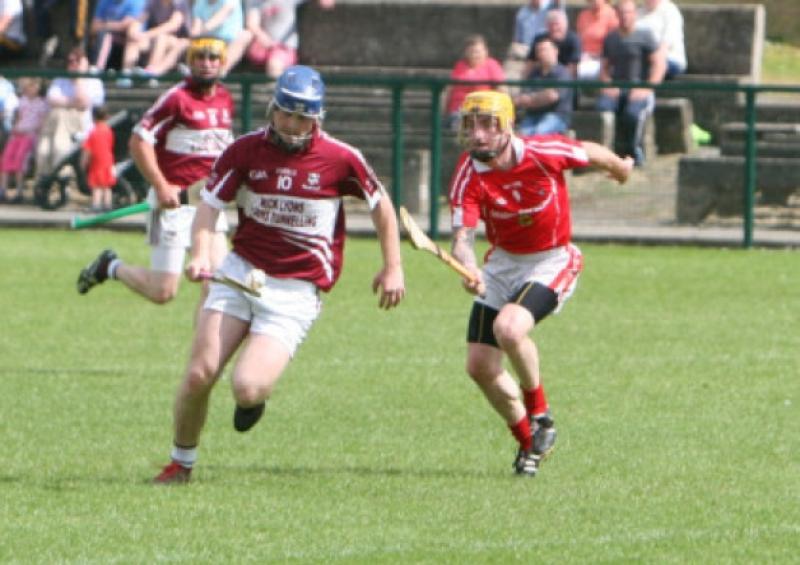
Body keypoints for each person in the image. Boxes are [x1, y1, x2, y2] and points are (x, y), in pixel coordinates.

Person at [152, 65, 406, 484]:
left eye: (302, 118)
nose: (291, 125)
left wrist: (392, 266)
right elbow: (209, 207)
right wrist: (200, 253)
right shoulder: (245, 151)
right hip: (240, 272)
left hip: (294, 292)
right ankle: (181, 462)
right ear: (273, 109)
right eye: (285, 114)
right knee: (199, 374)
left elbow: (382, 206)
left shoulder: (342, 158)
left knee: (248, 387)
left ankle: (252, 399)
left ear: (317, 118)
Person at [448, 91, 632, 477]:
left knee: (510, 328)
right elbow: (462, 238)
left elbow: (589, 152)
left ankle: (542, 417)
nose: (478, 134)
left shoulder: (543, 151)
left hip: (552, 259)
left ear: (508, 125)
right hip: (502, 264)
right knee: (479, 366)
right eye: (471, 125)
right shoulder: (468, 172)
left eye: (487, 124)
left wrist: (620, 168)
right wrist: (468, 268)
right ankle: (528, 442)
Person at [76, 37, 235, 305]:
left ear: (222, 63)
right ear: (190, 62)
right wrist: (161, 186)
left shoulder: (224, 99)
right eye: (200, 58)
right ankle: (110, 266)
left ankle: (208, 348)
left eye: (213, 58)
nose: (207, 64)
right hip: (173, 205)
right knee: (163, 291)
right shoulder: (176, 99)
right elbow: (138, 141)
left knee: (218, 284)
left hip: (207, 203)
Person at [595, 0, 665, 166]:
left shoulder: (646, 36)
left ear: (634, 14)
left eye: (628, 12)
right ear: (617, 15)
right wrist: (607, 85)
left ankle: (635, 152)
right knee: (602, 110)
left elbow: (659, 65)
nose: (625, 16)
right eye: (622, 12)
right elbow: (604, 68)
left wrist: (647, 88)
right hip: (617, 88)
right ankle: (605, 156)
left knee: (633, 115)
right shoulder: (610, 38)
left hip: (639, 89)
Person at [35, 46, 105, 181]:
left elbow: (83, 103)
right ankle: (44, 179)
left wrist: (78, 78)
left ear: (85, 62)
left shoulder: (94, 81)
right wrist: (72, 104)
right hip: (53, 124)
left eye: (77, 61)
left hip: (79, 126)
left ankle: (62, 178)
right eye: (70, 61)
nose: (73, 64)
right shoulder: (60, 79)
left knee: (59, 142)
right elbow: (51, 99)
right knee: (44, 149)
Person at [245, 0, 335, 79]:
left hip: (285, 47)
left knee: (275, 64)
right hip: (262, 47)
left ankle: (275, 93)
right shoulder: (254, 1)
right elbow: (252, 23)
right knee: (248, 43)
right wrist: (262, 37)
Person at [0, 78, 48, 204]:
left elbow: (41, 123)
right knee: (6, 158)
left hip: (30, 135)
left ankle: (19, 190)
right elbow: (19, 117)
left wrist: (27, 130)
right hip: (17, 134)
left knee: (20, 160)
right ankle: (3, 189)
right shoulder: (22, 101)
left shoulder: (42, 103)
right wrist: (16, 128)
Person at [444, 34, 506, 130]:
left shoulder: (492, 65)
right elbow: (449, 89)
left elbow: (502, 90)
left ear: (485, 52)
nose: (474, 55)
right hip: (457, 110)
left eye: (478, 51)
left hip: (482, 110)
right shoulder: (460, 65)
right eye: (471, 51)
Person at [121, 0, 192, 80]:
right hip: (154, 38)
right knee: (133, 40)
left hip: (178, 40)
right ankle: (126, 74)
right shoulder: (152, 2)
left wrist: (146, 35)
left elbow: (173, 25)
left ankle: (151, 72)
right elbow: (140, 20)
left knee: (161, 38)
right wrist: (133, 30)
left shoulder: (179, 3)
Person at [514, 38, 573, 135]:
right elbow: (522, 97)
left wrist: (531, 99)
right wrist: (539, 98)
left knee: (539, 133)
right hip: (533, 115)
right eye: (539, 51)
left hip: (556, 116)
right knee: (520, 136)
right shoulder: (533, 74)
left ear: (555, 51)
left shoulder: (563, 73)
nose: (542, 53)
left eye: (545, 49)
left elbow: (552, 96)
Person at [190, 0, 253, 76]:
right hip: (209, 42)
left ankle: (220, 73)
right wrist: (194, 34)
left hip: (231, 42)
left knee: (245, 36)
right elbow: (196, 26)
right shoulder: (200, 3)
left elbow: (220, 17)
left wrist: (203, 29)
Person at [89, 0, 148, 72]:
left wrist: (105, 25)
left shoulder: (137, 1)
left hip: (135, 41)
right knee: (105, 36)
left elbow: (127, 24)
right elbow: (94, 25)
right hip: (108, 41)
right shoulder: (104, 1)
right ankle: (97, 70)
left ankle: (126, 75)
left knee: (131, 34)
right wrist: (108, 26)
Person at [525, 9, 581, 79]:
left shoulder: (573, 40)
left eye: (557, 24)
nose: (554, 28)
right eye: (551, 25)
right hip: (540, 75)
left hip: (562, 78)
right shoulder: (539, 39)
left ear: (565, 25)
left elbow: (573, 67)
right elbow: (530, 63)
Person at [637, 0, 686, 79]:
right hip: (642, 59)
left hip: (669, 59)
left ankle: (648, 90)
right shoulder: (638, 12)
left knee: (656, 62)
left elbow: (666, 44)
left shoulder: (670, 11)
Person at [81, 106, 116, 212]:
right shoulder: (108, 130)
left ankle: (96, 205)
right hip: (108, 161)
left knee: (96, 186)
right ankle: (107, 205)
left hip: (97, 162)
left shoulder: (93, 132)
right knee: (107, 185)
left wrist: (83, 162)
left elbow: (87, 150)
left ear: (93, 117)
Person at [575, 0, 619, 80]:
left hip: (604, 58)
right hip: (585, 56)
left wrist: (598, 55)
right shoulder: (583, 15)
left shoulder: (611, 14)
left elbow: (613, 41)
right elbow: (579, 38)